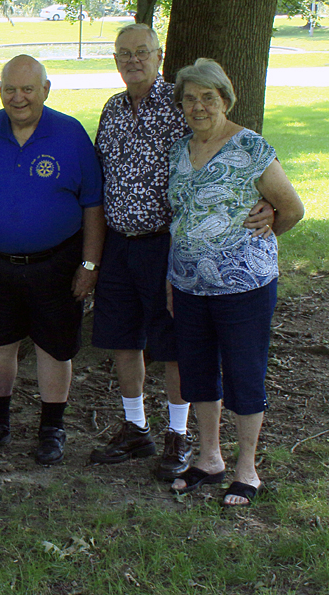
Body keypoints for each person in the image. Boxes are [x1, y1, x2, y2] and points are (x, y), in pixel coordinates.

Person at [88, 24, 274, 480]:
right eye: (124, 54)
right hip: (118, 243)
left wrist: (267, 204)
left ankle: (178, 434)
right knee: (123, 338)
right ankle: (136, 427)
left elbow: (225, 150)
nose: (133, 61)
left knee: (174, 345)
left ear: (158, 55)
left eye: (142, 52)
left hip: (165, 246)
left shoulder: (181, 103)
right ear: (115, 60)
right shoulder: (112, 109)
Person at [0, 56, 104, 465]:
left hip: (57, 264)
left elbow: (92, 204)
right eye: (10, 89)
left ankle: (52, 429)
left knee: (54, 349)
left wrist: (89, 265)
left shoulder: (70, 135)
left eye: (28, 89)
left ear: (46, 90)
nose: (18, 97)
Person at [165, 58, 304, 506]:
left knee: (244, 373)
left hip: (244, 287)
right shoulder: (179, 150)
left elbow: (293, 209)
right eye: (190, 98)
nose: (199, 106)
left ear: (225, 100)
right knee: (199, 374)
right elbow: (181, 218)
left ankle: (247, 468)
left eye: (208, 97)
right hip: (187, 285)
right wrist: (172, 278)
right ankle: (209, 459)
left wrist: (265, 234)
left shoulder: (250, 148)